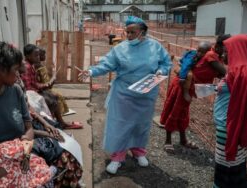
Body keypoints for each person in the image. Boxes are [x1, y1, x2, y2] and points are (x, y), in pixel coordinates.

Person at [79, 16, 172, 174]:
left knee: (140, 124)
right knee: (120, 125)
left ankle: (138, 151)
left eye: (132, 32)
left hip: (146, 94)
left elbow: (166, 62)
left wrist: (161, 71)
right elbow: (106, 64)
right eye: (127, 32)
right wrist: (91, 71)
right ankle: (117, 157)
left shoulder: (155, 47)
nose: (128, 35)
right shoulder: (120, 48)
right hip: (124, 93)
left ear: (142, 32)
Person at [160, 36, 228, 153]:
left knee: (183, 113)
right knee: (174, 111)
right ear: (219, 46)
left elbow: (217, 73)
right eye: (227, 48)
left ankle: (183, 140)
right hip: (182, 86)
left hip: (190, 87)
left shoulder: (216, 58)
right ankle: (168, 140)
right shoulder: (211, 56)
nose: (228, 51)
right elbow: (225, 73)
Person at [213, 34, 247, 188]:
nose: (222, 54)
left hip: (229, 129)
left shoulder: (241, 73)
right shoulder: (237, 70)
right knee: (236, 165)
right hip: (228, 127)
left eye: (227, 51)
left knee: (226, 169)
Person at [21, 44, 82, 129]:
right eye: (36, 55)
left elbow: (34, 84)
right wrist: (46, 86)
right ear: (27, 56)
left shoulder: (31, 66)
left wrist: (46, 85)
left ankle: (58, 122)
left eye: (38, 55)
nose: (38, 57)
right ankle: (52, 124)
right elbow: (28, 89)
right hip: (29, 95)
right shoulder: (27, 67)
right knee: (51, 100)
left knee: (53, 97)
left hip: (33, 92)